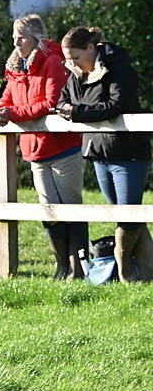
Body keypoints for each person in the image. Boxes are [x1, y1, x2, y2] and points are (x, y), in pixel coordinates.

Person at [0, 14, 84, 278]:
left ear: (36, 38)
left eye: (22, 37)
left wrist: (13, 115)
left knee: (70, 206)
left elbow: (50, 102)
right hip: (35, 150)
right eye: (14, 37)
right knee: (49, 208)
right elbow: (6, 98)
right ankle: (61, 265)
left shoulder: (53, 62)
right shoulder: (16, 65)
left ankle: (79, 267)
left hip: (62, 147)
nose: (16, 42)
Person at [56, 26, 153, 282]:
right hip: (99, 151)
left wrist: (77, 112)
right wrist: (68, 109)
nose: (71, 63)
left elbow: (117, 105)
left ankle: (126, 273)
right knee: (122, 212)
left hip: (127, 152)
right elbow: (62, 100)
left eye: (76, 57)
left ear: (91, 48)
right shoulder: (75, 73)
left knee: (128, 214)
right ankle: (146, 272)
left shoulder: (118, 69)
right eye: (68, 58)